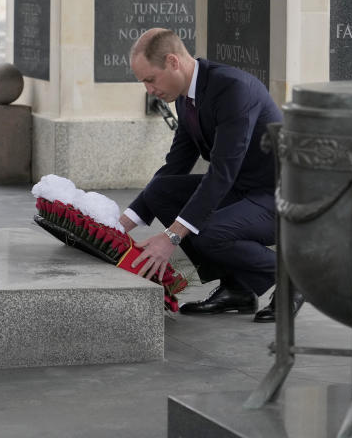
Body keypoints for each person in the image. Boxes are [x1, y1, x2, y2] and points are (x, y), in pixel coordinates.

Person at [120, 28, 301, 322]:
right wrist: (120, 225)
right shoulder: (184, 97)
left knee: (208, 233)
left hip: (280, 197)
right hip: (243, 190)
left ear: (173, 61)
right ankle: (237, 289)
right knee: (160, 192)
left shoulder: (233, 89)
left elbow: (221, 171)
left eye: (150, 79)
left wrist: (171, 238)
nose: (149, 90)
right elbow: (174, 166)